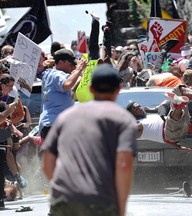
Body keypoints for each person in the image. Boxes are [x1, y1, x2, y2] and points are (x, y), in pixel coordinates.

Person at [41, 63, 137, 216]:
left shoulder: (66, 117)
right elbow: (124, 164)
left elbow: (47, 162)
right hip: (101, 202)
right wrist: (121, 208)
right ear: (118, 90)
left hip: (64, 202)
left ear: (91, 89)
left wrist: (64, 190)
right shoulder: (124, 120)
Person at [39, 48, 87, 140]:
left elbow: (71, 93)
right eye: (72, 64)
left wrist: (79, 76)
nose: (73, 67)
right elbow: (67, 84)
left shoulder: (50, 74)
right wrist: (79, 68)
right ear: (61, 62)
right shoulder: (57, 74)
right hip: (54, 124)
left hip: (52, 124)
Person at [126, 92, 192, 151]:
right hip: (170, 130)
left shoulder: (149, 117)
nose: (139, 109)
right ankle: (177, 105)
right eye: (135, 109)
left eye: (139, 107)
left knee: (179, 106)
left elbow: (165, 139)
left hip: (175, 130)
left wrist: (178, 146)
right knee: (172, 120)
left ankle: (178, 103)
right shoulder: (138, 125)